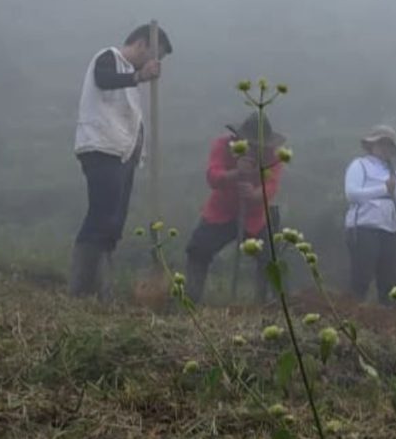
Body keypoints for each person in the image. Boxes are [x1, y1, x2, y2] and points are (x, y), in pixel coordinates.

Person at [70, 23, 173, 299]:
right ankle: (82, 287)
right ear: (141, 44)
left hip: (123, 156)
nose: (155, 63)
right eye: (155, 55)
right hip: (101, 150)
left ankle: (101, 287)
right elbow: (104, 80)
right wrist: (140, 76)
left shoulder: (129, 77)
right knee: (101, 216)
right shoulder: (107, 58)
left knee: (114, 221)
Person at [184, 113, 286, 304]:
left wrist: (254, 195)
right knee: (198, 250)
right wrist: (235, 173)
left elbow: (271, 186)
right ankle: (190, 300)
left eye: (258, 145)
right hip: (220, 212)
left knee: (269, 258)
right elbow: (213, 176)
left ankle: (266, 303)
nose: (254, 148)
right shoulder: (223, 146)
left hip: (255, 217)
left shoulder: (274, 156)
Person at [344, 124, 396, 304]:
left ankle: (386, 322)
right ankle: (354, 316)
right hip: (365, 228)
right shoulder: (359, 165)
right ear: (372, 145)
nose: (385, 149)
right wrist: (383, 190)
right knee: (361, 278)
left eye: (389, 146)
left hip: (391, 231)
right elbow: (352, 194)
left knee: (390, 281)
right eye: (382, 144)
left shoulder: (394, 173)